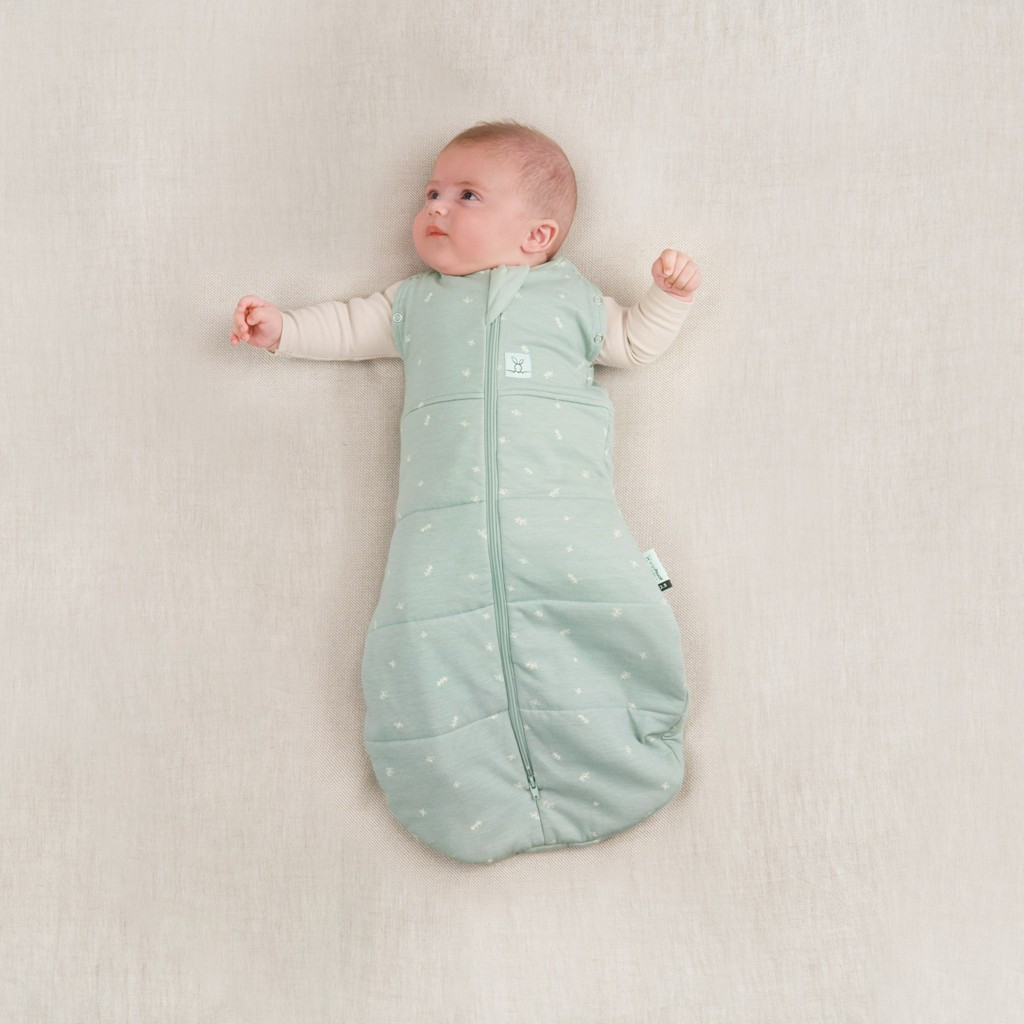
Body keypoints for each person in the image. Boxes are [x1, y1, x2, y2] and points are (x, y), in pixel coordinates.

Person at [229, 121, 703, 863]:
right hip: (441, 534)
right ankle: (464, 787)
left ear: (537, 235)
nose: (436, 209)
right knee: (427, 636)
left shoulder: (573, 299)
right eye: (431, 194)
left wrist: (668, 296)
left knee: (605, 610)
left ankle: (611, 755)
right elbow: (348, 326)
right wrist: (282, 329)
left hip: (566, 521)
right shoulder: (414, 304)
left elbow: (636, 342)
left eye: (466, 195)